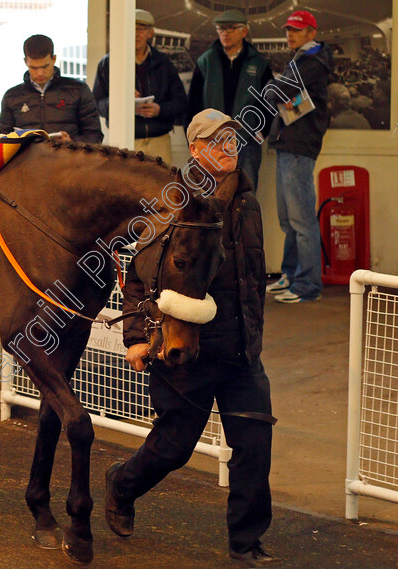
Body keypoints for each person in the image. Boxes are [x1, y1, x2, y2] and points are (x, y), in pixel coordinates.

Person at [105, 109, 277, 567]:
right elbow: (138, 280)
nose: (229, 150)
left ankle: (245, 543)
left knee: (254, 447)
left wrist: (253, 335)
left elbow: (254, 278)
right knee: (173, 448)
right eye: (218, 143)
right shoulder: (169, 204)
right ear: (196, 149)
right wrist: (136, 338)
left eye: (234, 142)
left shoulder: (247, 202)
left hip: (241, 351)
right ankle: (121, 485)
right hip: (185, 352)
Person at [264, 10, 332, 304]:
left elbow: (280, 90)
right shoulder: (301, 60)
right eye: (288, 29)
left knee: (302, 221)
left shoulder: (313, 62)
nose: (290, 34)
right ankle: (291, 275)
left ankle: (308, 285)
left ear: (311, 33)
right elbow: (279, 91)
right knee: (288, 220)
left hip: (299, 148)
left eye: (297, 29)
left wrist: (273, 86)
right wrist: (274, 88)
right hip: (287, 146)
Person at [187, 10, 273, 190]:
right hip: (211, 143)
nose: (225, 33)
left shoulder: (258, 63)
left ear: (244, 32)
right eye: (221, 29)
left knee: (245, 197)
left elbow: (269, 99)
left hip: (247, 141)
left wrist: (262, 131)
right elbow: (193, 102)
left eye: (231, 28)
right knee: (209, 196)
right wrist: (194, 138)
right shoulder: (206, 61)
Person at [92, 9, 188, 164]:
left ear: (151, 33)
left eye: (141, 29)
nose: (135, 34)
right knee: (123, 187)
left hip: (159, 141)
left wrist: (160, 110)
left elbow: (181, 103)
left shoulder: (164, 63)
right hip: (123, 141)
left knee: (162, 187)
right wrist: (120, 101)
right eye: (131, 28)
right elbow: (96, 103)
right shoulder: (108, 63)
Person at [0, 34, 102, 144]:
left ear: (54, 59)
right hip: (28, 160)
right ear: (25, 62)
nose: (40, 73)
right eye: (34, 68)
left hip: (67, 158)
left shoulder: (78, 90)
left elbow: (95, 136)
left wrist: (71, 142)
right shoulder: (12, 96)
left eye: (45, 66)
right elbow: (1, 140)